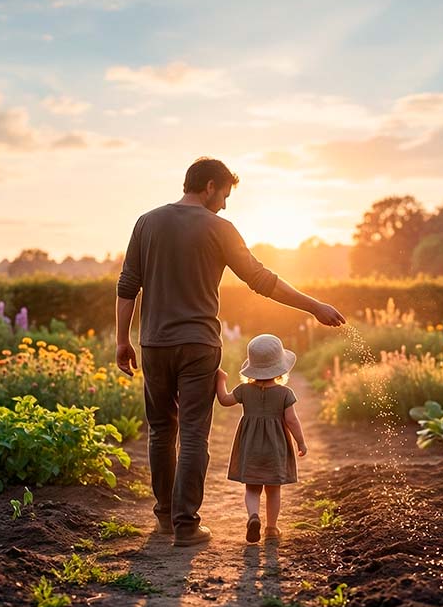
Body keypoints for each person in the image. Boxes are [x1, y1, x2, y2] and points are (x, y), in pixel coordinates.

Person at [115, 157, 345, 548]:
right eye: (224, 194)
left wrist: (122, 340)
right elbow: (262, 280)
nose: (224, 204)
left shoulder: (147, 222)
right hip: (200, 345)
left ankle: (165, 519)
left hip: (153, 343)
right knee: (192, 434)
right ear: (208, 186)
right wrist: (314, 306)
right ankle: (187, 526)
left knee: (160, 431)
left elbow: (127, 286)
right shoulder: (219, 228)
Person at [215, 334, 305, 544]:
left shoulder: (244, 390)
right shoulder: (285, 393)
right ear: (281, 367)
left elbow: (224, 400)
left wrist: (221, 381)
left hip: (250, 446)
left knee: (252, 488)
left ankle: (253, 516)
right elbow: (292, 420)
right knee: (273, 489)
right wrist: (301, 441)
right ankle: (271, 528)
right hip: (276, 448)